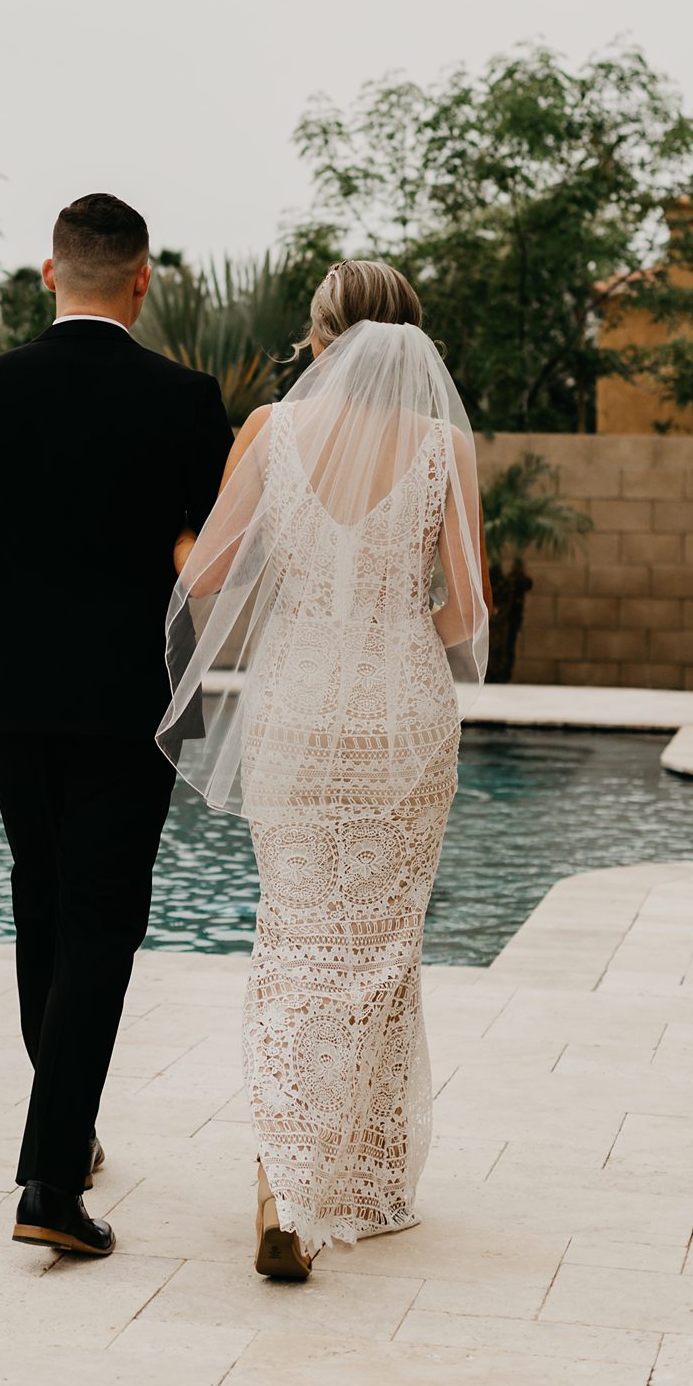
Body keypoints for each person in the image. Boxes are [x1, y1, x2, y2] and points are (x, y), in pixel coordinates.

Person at [0, 192, 232, 1258]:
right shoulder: (184, 398)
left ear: (50, 274)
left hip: (15, 698)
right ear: (141, 280)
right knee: (102, 923)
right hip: (135, 699)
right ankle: (49, 1177)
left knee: (44, 905)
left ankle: (64, 1140)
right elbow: (222, 555)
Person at [158, 260, 489, 1280]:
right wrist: (395, 633)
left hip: (297, 703)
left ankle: (288, 1182)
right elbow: (468, 614)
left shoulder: (271, 431)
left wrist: (198, 541)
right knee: (384, 946)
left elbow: (204, 575)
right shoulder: (442, 442)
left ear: (322, 337)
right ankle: (367, 1184)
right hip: (403, 705)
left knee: (294, 933)